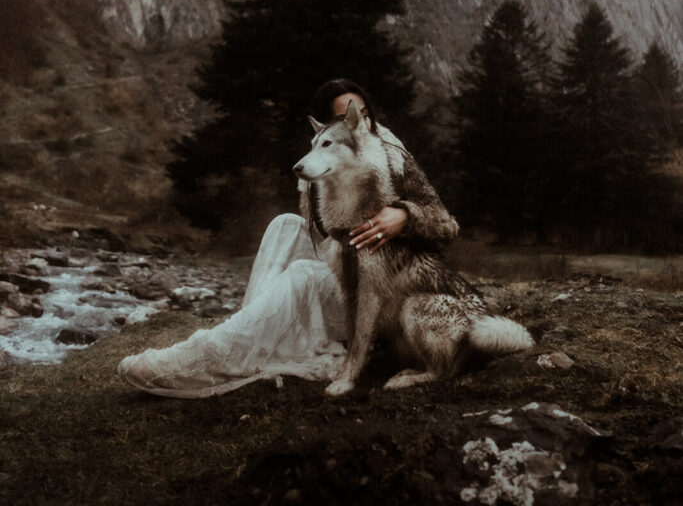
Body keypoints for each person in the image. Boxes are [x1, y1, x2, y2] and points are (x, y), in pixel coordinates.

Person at [117, 78, 459, 397]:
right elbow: (322, 232)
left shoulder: (393, 155)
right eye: (345, 117)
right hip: (344, 264)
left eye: (363, 114)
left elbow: (446, 224)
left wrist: (405, 214)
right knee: (284, 224)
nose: (360, 124)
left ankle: (207, 355)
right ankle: (249, 333)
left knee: (302, 274)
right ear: (328, 126)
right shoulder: (321, 161)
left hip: (382, 286)